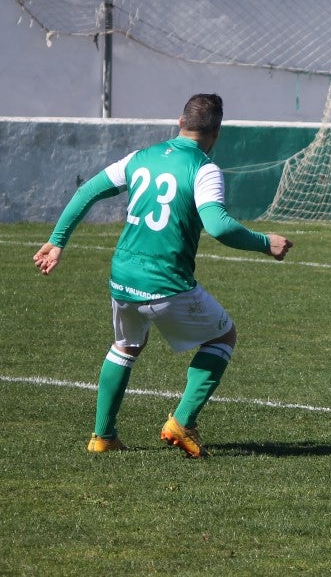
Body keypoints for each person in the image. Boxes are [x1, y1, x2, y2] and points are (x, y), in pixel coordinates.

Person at [32, 93, 293, 457]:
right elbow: (218, 226)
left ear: (180, 122)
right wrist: (265, 242)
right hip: (165, 282)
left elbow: (88, 190)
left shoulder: (141, 156)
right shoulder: (204, 169)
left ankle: (102, 436)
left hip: (123, 277)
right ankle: (182, 422)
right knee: (222, 336)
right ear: (217, 132)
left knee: (126, 345)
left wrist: (58, 241)